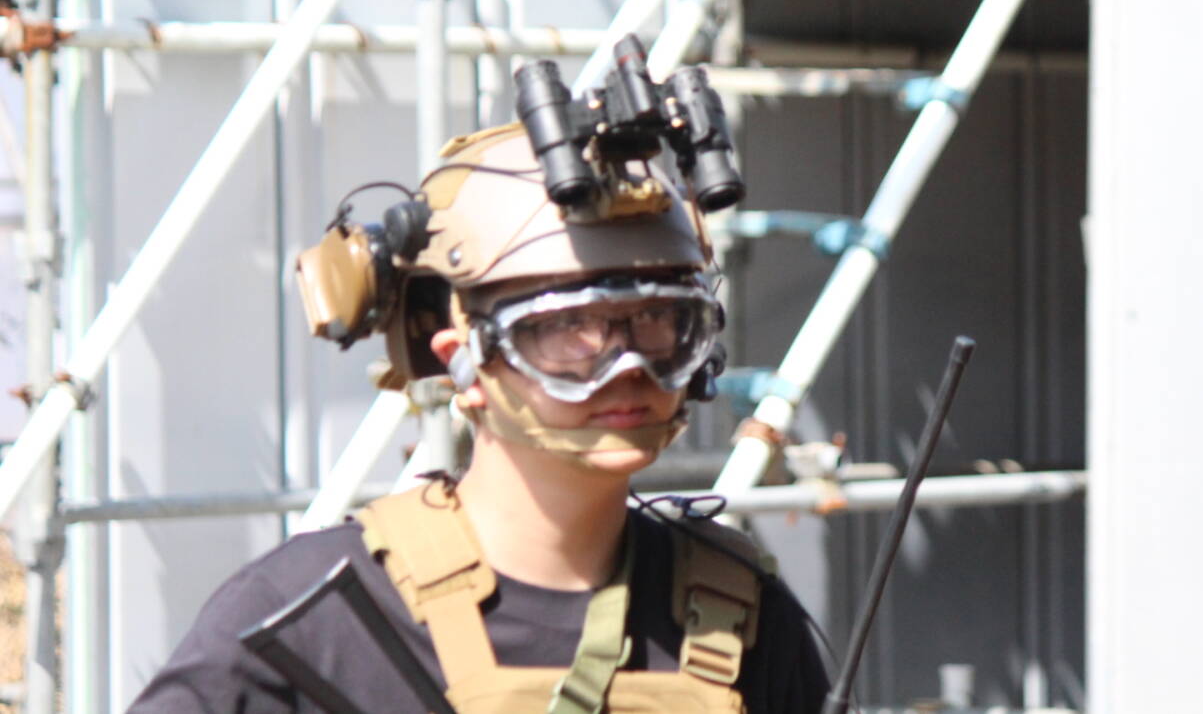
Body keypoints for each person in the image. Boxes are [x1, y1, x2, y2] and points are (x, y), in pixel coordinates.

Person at [128, 65, 831, 713]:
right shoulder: (317, 620)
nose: (626, 368)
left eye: (658, 320)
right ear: (460, 360)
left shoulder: (741, 620)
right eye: (568, 328)